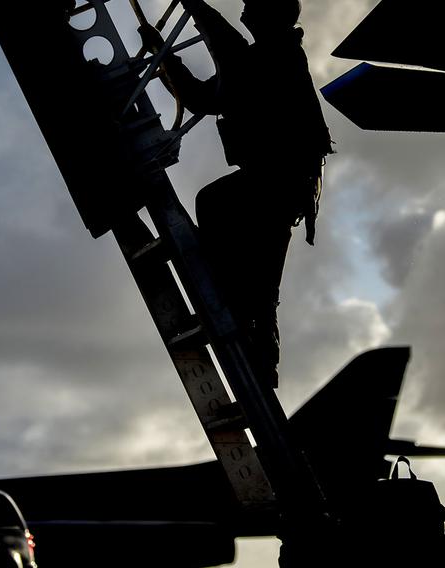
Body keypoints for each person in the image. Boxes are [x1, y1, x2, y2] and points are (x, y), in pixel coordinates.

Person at [139, 0, 333, 388]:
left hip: (279, 184)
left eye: (250, 8)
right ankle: (258, 350)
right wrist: (165, 54)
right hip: (284, 187)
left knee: (215, 207)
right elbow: (206, 93)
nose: (244, 15)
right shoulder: (267, 59)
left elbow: (222, 64)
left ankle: (234, 310)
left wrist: (192, 9)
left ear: (268, 17)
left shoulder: (274, 57)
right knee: (260, 283)